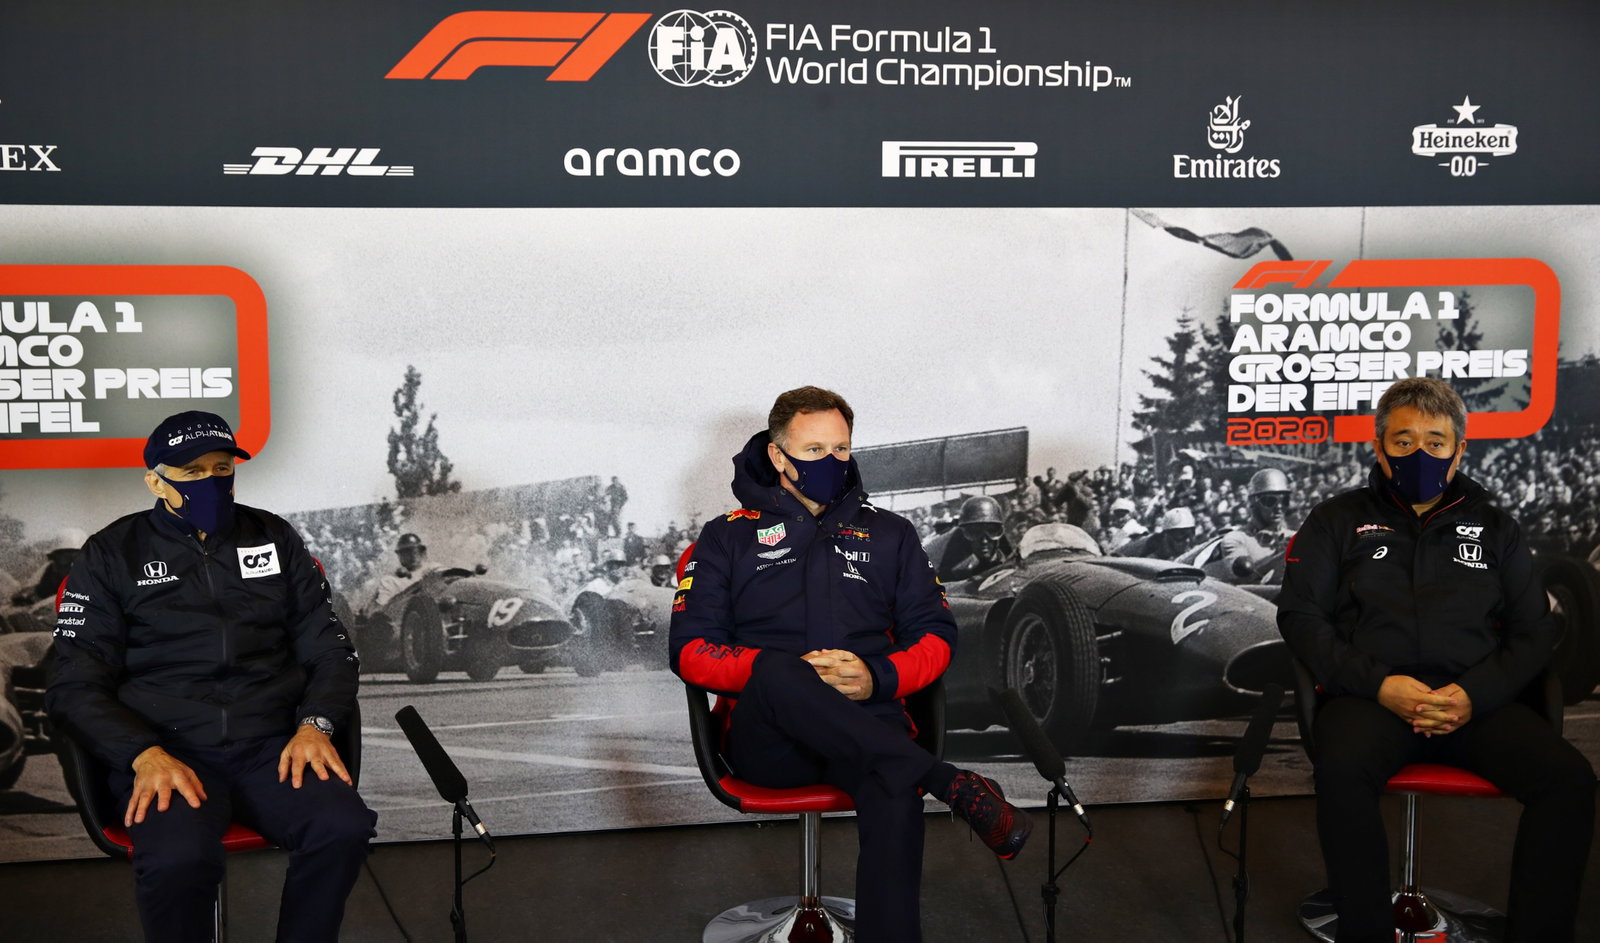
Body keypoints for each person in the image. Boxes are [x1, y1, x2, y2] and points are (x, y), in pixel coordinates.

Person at [669, 386, 1031, 943]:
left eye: (841, 449)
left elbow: (936, 635)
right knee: (778, 669)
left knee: (892, 783)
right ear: (777, 455)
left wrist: (877, 678)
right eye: (814, 451)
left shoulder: (892, 534)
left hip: (872, 722)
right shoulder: (726, 537)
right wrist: (775, 670)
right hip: (768, 741)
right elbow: (690, 649)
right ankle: (949, 782)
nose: (831, 462)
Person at [1278, 378, 1594, 943]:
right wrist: (1381, 685)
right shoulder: (1336, 520)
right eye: (1402, 442)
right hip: (1371, 700)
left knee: (1569, 782)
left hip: (1477, 703)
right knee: (1341, 771)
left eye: (1435, 440)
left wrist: (1474, 695)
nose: (1419, 453)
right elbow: (1300, 618)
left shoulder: (1497, 527)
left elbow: (1534, 631)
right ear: (1378, 448)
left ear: (1459, 449)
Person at [45, 411, 375, 943]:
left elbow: (332, 652)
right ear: (156, 480)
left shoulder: (274, 536)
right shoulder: (111, 553)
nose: (211, 482)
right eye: (192, 471)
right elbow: (72, 685)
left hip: (273, 745)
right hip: (167, 752)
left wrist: (316, 724)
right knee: (179, 859)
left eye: (222, 468)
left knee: (342, 827)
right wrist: (142, 754)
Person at [1206, 468, 1295, 584]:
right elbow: (1243, 580)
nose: (1279, 507)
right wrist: (1281, 556)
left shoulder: (1296, 537)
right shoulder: (1236, 539)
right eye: (1270, 501)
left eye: (1284, 500)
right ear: (1254, 502)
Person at [931, 494, 1014, 581]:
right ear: (965, 535)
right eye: (975, 532)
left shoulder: (1013, 566)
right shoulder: (957, 573)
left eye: (991, 531)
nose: (984, 541)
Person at [365, 531, 432, 610]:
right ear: (400, 555)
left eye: (416, 550)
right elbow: (380, 611)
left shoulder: (434, 570)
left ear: (421, 551)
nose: (413, 554)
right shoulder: (389, 581)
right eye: (407, 552)